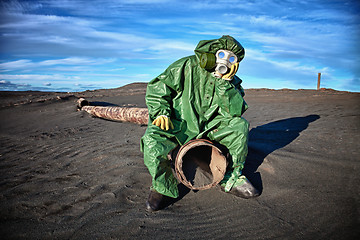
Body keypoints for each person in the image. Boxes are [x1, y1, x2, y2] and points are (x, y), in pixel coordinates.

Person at [141, 35, 259, 211]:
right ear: (211, 53)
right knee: (152, 142)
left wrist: (225, 83)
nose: (225, 61)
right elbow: (159, 88)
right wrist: (161, 112)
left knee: (239, 126)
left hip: (211, 127)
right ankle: (163, 187)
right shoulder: (186, 66)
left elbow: (235, 111)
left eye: (231, 58)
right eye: (221, 54)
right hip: (178, 125)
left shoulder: (232, 81)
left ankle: (230, 178)